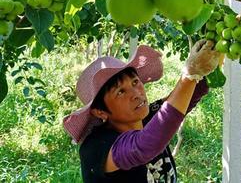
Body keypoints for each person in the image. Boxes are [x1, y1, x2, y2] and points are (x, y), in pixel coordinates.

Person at [63, 40, 224, 182]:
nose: (136, 94)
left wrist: (218, 48)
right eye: (120, 92)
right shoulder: (96, 146)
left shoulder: (147, 119)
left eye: (135, 82)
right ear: (100, 112)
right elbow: (144, 146)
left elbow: (191, 93)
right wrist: (190, 74)